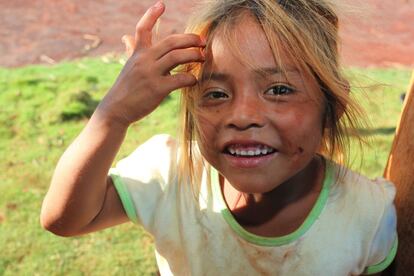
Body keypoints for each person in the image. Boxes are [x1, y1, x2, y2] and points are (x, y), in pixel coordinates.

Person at [40, 0, 397, 275]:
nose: (241, 116)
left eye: (278, 89)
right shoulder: (169, 175)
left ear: (332, 104)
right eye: (216, 94)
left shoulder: (369, 213)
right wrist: (113, 114)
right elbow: (66, 220)